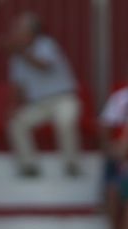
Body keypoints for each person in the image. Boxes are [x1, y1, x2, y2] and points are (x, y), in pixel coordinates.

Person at [6, 13, 81, 179]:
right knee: (16, 123)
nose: (15, 33)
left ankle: (71, 165)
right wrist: (14, 106)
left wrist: (20, 52)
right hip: (38, 104)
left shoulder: (46, 44)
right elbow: (18, 86)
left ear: (32, 32)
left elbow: (44, 65)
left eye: (19, 30)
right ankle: (29, 165)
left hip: (63, 98)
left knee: (65, 121)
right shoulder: (16, 56)